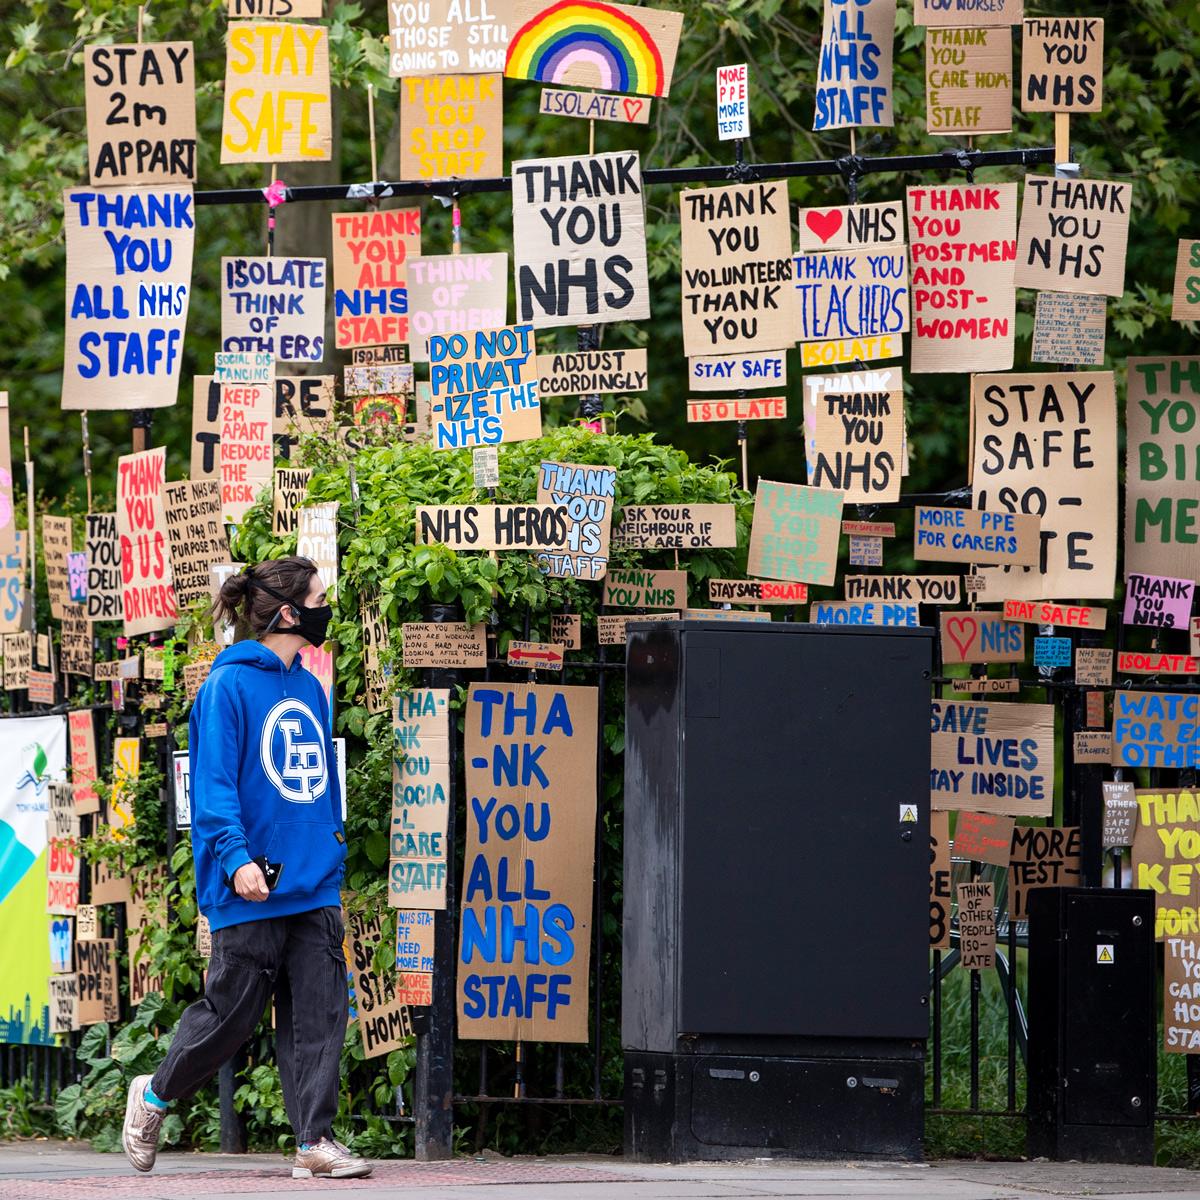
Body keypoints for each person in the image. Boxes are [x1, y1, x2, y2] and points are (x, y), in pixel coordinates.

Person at [121, 556, 370, 1181]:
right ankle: (154, 1095)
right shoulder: (225, 689)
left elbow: (317, 784)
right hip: (251, 882)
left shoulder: (310, 687)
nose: (324, 608)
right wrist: (233, 860)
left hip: (312, 880)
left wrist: (330, 849)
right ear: (289, 612)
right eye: (317, 598)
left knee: (321, 1014)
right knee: (229, 1016)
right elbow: (212, 788)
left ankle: (315, 1140)